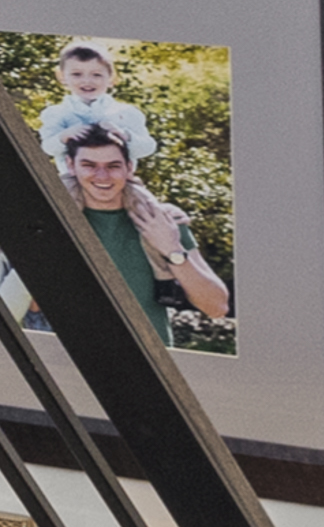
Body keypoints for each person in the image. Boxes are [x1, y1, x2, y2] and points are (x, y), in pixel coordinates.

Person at [45, 82, 231, 359]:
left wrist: (171, 250)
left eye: (113, 166)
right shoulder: (51, 219)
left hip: (150, 362)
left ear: (130, 167)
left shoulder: (161, 219)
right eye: (89, 166)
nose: (102, 177)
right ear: (70, 166)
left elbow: (216, 307)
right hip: (67, 360)